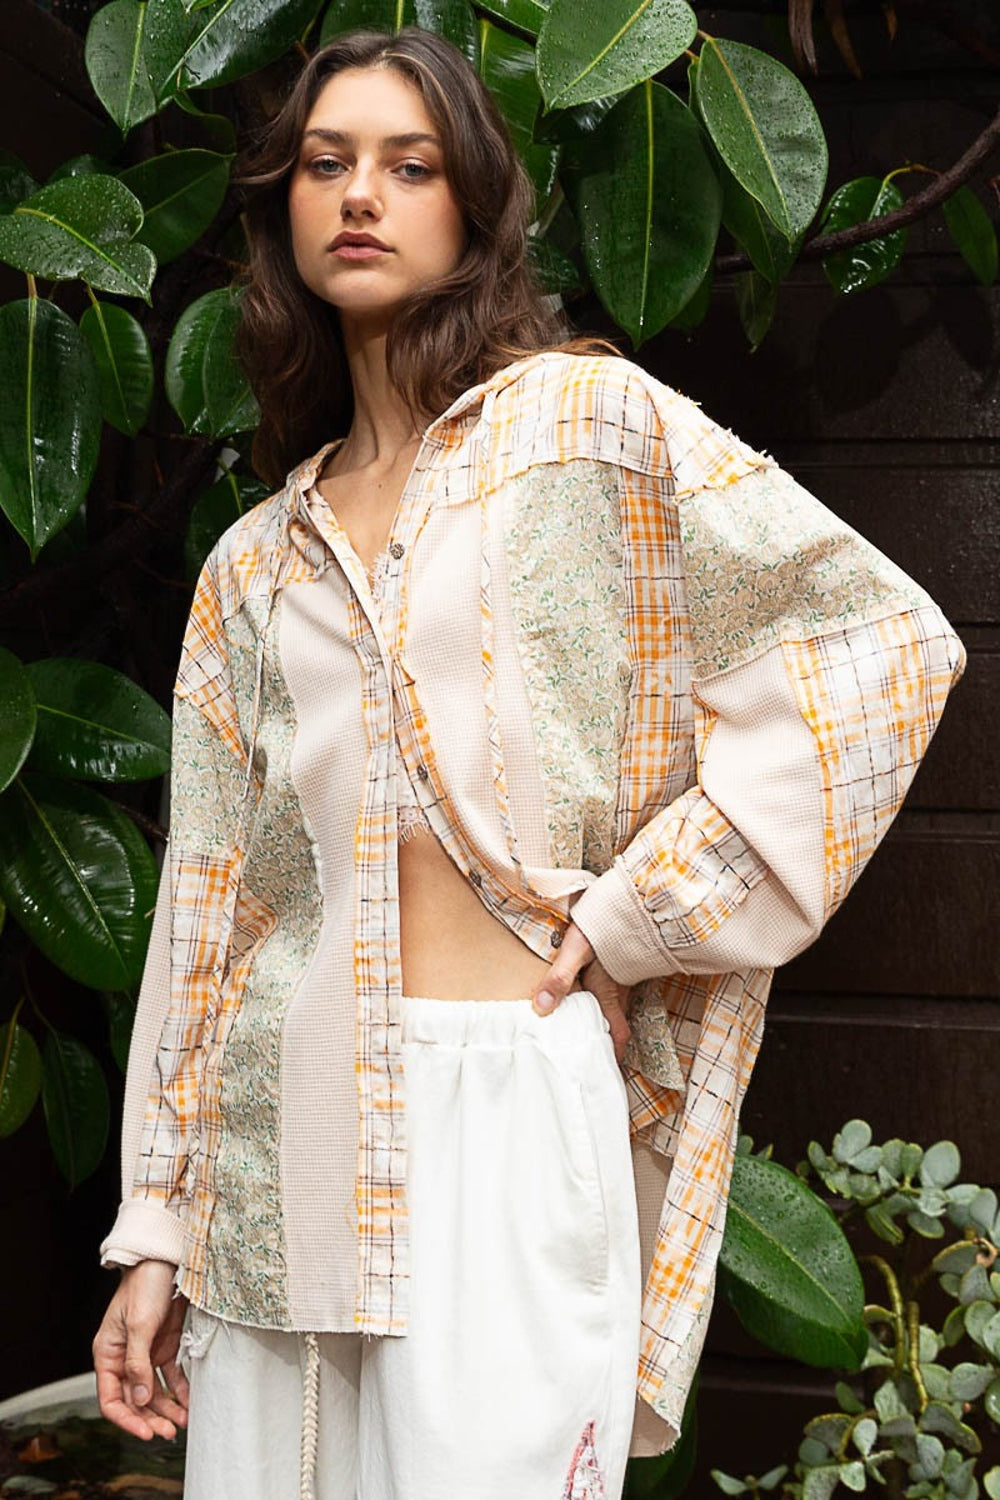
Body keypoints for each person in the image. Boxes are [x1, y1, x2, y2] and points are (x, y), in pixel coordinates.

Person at [92, 26, 966, 1500]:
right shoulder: (252, 564)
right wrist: (157, 1231)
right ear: (284, 211)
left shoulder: (588, 431)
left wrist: (640, 915)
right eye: (326, 164)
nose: (360, 195)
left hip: (503, 1105)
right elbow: (211, 903)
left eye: (408, 164)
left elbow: (880, 645)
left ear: (471, 209)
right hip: (275, 1145)